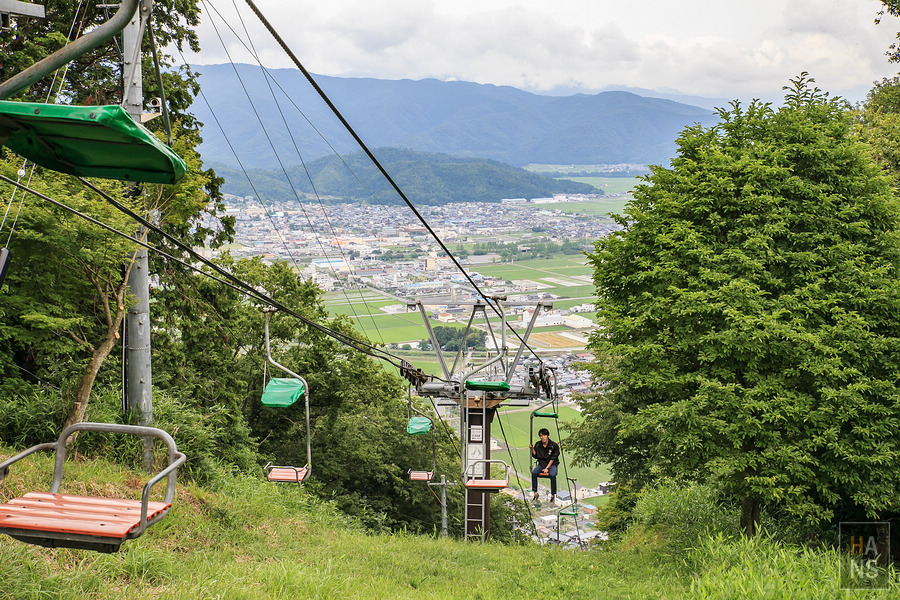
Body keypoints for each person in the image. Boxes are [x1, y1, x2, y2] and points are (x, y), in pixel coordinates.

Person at [530, 428, 560, 504]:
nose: (542, 437)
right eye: (541, 436)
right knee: (534, 473)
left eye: (544, 435)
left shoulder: (553, 445)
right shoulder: (538, 445)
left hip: (551, 464)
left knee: (552, 475)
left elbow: (553, 458)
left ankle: (553, 495)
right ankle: (535, 493)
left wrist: (547, 468)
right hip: (542, 464)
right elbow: (536, 455)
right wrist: (532, 449)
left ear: (547, 436)